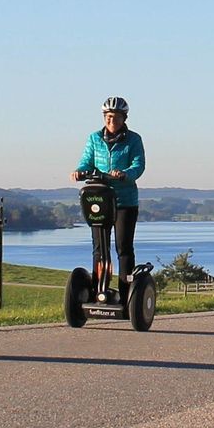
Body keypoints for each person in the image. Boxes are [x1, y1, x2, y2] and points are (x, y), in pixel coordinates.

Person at [70, 96, 146, 306]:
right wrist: (79, 171)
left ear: (124, 118)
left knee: (123, 247)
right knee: (99, 248)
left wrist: (124, 174)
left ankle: (126, 291)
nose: (112, 120)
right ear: (104, 117)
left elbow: (138, 165)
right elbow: (86, 160)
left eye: (117, 117)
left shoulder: (133, 139)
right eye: (109, 116)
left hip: (125, 201)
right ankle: (97, 291)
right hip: (101, 199)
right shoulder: (94, 139)